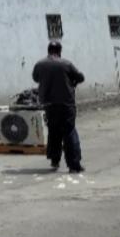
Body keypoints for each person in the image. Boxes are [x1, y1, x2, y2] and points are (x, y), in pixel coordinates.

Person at [32, 40, 85, 173]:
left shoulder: (39, 64)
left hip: (49, 105)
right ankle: (74, 165)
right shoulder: (66, 64)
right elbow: (80, 77)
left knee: (54, 132)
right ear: (59, 51)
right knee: (69, 132)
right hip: (66, 104)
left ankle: (54, 160)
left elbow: (36, 78)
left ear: (48, 50)